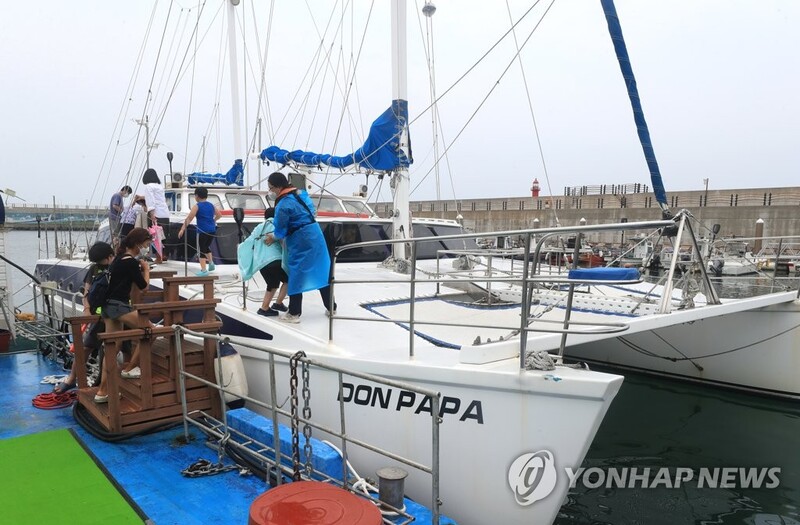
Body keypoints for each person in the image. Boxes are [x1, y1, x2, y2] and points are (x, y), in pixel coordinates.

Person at [94, 227, 154, 403]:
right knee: (150, 331)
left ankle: (102, 392)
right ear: (137, 244)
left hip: (107, 307)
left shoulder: (119, 258)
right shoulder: (130, 262)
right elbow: (144, 287)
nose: (147, 247)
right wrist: (146, 269)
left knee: (112, 349)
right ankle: (130, 369)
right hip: (118, 306)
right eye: (146, 244)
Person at [264, 172, 333, 323]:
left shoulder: (282, 204)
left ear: (278, 187)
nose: (270, 191)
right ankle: (331, 307)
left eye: (271, 188)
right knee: (321, 270)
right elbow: (312, 212)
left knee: (296, 273)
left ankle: (294, 313)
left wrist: (272, 237)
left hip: (301, 239)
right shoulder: (300, 194)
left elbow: (280, 229)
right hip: (315, 235)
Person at [52, 241, 114, 394]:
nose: (100, 264)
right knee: (86, 347)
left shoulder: (117, 269)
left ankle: (105, 385)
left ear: (110, 256)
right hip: (97, 317)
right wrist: (86, 309)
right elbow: (86, 292)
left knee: (112, 349)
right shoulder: (94, 269)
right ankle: (73, 378)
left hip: (115, 315)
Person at [238, 207, 289, 316]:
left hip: (261, 262)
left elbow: (249, 242)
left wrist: (240, 249)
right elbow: (285, 238)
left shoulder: (259, 227)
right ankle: (269, 306)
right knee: (288, 280)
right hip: (275, 259)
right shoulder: (277, 225)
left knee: (272, 284)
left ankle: (269, 306)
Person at [178, 187, 221, 276]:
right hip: (212, 230)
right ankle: (211, 263)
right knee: (206, 246)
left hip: (202, 231)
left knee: (201, 249)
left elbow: (189, 218)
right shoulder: (211, 205)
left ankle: (204, 270)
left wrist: (182, 229)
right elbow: (219, 215)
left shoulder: (197, 206)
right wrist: (213, 221)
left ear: (197, 196)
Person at [142, 168, 170, 263]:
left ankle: (159, 257)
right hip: (165, 214)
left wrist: (152, 213)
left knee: (155, 236)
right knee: (163, 236)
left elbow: (151, 201)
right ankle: (164, 254)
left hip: (156, 213)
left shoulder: (149, 187)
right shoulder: (160, 186)